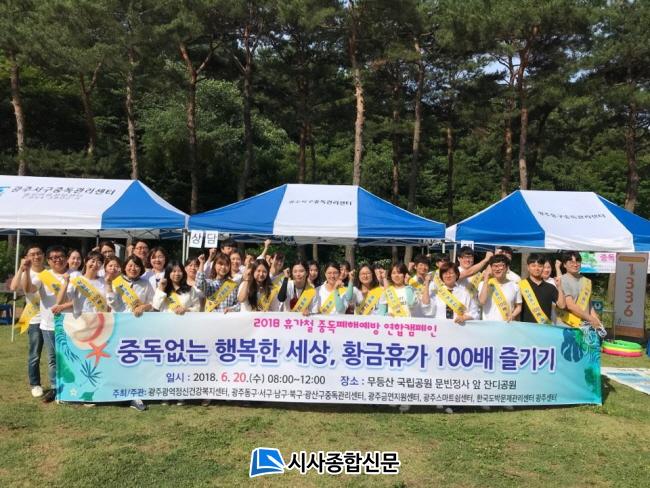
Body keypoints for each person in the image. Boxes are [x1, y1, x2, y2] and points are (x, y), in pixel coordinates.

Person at [105, 254, 154, 412]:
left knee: (135, 360)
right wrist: (108, 284)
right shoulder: (118, 282)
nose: (133, 268)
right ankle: (116, 390)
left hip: (138, 327)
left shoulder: (146, 283)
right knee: (117, 358)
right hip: (119, 325)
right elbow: (113, 304)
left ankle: (135, 394)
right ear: (124, 267)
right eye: (130, 265)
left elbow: (153, 303)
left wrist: (144, 307)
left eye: (136, 265)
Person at [21, 245, 70, 403]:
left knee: (71, 356)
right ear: (48, 261)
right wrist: (25, 271)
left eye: (60, 256)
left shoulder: (74, 275)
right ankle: (56, 388)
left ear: (66, 258)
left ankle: (72, 387)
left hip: (71, 324)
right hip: (49, 325)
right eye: (53, 258)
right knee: (53, 358)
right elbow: (29, 289)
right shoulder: (44, 276)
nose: (57, 260)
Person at [11, 245, 45, 398]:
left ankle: (58, 382)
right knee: (35, 354)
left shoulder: (50, 272)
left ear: (43, 255)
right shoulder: (27, 272)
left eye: (38, 253)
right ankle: (35, 384)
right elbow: (14, 287)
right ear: (27, 257)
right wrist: (21, 269)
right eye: (32, 254)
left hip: (52, 319)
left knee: (55, 354)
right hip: (35, 319)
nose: (36, 256)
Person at [558, 251, 603, 330]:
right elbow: (570, 305)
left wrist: (597, 322)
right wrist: (591, 319)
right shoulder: (562, 280)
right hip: (568, 326)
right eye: (571, 262)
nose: (575, 264)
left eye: (578, 261)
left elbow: (589, 305)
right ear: (564, 265)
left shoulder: (587, 281)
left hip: (585, 326)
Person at [519, 254, 566, 325]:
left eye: (540, 266)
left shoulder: (550, 287)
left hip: (545, 328)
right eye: (533, 266)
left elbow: (562, 305)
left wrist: (559, 287)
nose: (537, 268)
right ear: (528, 267)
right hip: (525, 327)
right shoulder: (520, 285)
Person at [58, 251, 108, 316]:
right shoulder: (77, 280)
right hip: (80, 319)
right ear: (85, 262)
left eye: (99, 262)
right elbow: (62, 301)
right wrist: (66, 283)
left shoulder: (104, 281)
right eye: (92, 261)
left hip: (99, 319)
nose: (95, 264)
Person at [477, 255, 522, 322]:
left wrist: (512, 315)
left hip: (507, 325)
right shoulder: (484, 284)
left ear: (507, 267)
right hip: (488, 325)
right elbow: (482, 301)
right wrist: (486, 278)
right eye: (495, 266)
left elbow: (519, 306)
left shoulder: (515, 285)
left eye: (501, 266)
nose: (497, 269)